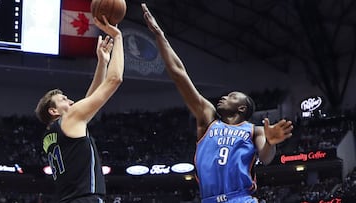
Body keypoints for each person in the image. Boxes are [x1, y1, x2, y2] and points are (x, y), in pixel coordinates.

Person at [141, 3, 293, 203]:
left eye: (231, 96)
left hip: (241, 198)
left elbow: (265, 157)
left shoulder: (253, 130)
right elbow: (179, 75)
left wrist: (271, 143)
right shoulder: (207, 119)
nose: (224, 97)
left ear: (242, 107)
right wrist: (159, 35)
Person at [35, 15, 124, 203]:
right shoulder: (70, 120)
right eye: (64, 99)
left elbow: (89, 100)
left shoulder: (49, 136)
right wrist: (118, 38)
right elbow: (115, 79)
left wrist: (102, 62)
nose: (71, 101)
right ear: (54, 111)